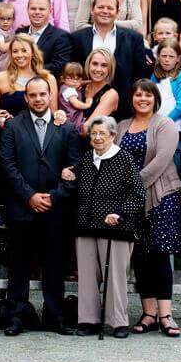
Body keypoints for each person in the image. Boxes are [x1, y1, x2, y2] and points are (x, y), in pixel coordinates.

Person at [0, 77, 80, 335]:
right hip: (22, 207)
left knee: (54, 265)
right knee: (19, 265)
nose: (38, 99)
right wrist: (30, 196)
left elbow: (74, 166)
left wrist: (54, 197)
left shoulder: (66, 129)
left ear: (50, 95)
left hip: (55, 209)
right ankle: (16, 317)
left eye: (42, 94)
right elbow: (7, 165)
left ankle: (55, 316)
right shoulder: (13, 126)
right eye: (32, 95)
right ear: (26, 97)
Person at [115, 80, 181, 337]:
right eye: (137, 95)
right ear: (131, 99)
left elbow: (160, 162)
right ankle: (148, 313)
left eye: (147, 95)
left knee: (160, 254)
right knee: (140, 255)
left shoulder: (164, 124)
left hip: (161, 196)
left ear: (155, 98)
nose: (142, 99)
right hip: (131, 201)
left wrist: (133, 186)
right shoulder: (121, 126)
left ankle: (166, 314)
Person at [70, 115, 144, 338]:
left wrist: (119, 214)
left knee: (116, 277)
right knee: (86, 275)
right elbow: (76, 184)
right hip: (85, 226)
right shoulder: (86, 159)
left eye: (102, 133)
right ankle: (88, 320)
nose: (98, 137)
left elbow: (138, 194)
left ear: (113, 135)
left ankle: (118, 322)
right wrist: (69, 174)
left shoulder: (124, 159)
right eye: (94, 133)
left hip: (116, 229)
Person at [70, 0, 148, 118]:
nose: (105, 11)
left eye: (110, 8)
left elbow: (140, 74)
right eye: (100, 7)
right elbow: (73, 70)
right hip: (86, 107)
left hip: (124, 109)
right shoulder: (77, 38)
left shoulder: (134, 38)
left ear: (117, 12)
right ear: (92, 10)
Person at [16, 0, 74, 78]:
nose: (37, 12)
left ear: (50, 11)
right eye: (33, 8)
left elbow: (60, 66)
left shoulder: (61, 37)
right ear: (27, 9)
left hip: (45, 85)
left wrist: (29, 69)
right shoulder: (20, 32)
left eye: (42, 9)